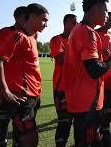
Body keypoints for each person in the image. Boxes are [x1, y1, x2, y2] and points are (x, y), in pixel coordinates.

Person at [62, 0, 111, 147]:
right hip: (87, 102)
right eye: (104, 10)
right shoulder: (87, 31)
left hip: (81, 100)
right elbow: (95, 70)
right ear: (95, 9)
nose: (106, 15)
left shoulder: (78, 30)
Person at [0, 3, 49, 147]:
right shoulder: (18, 36)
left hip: (32, 96)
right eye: (44, 20)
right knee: (30, 138)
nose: (46, 24)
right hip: (21, 97)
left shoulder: (32, 37)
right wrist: (4, 90)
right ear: (32, 17)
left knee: (21, 137)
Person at [0, 6, 28, 147]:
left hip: (24, 87)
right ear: (18, 18)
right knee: (5, 118)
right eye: (26, 17)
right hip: (7, 85)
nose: (29, 20)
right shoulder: (3, 33)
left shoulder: (31, 35)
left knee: (20, 121)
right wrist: (2, 88)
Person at [49, 14, 77, 147]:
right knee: (64, 123)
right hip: (62, 89)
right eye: (73, 22)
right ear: (65, 23)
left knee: (80, 123)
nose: (76, 25)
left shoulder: (78, 40)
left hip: (78, 89)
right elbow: (61, 59)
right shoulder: (56, 39)